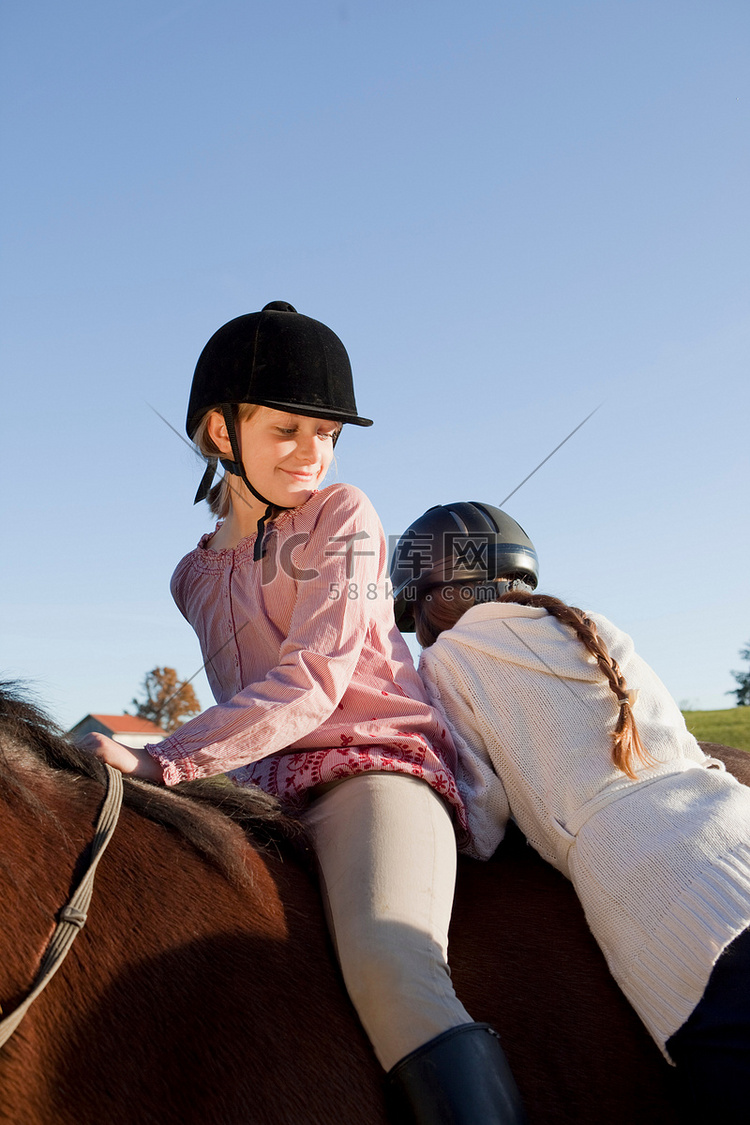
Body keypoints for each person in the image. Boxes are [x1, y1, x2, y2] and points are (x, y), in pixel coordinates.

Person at [81, 304, 526, 1125]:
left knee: (395, 963)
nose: (313, 454)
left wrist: (164, 760)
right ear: (221, 431)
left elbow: (314, 680)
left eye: (326, 434)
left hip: (373, 766)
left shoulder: (344, 517)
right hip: (261, 783)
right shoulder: (191, 574)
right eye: (288, 430)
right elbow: (239, 696)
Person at [391, 500, 750, 1123]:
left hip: (661, 890)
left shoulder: (447, 661)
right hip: (732, 819)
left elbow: (480, 821)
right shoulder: (592, 625)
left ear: (433, 598)